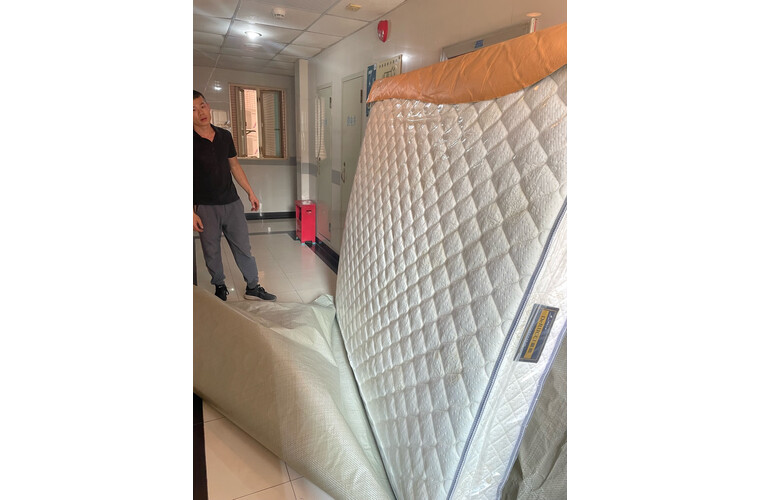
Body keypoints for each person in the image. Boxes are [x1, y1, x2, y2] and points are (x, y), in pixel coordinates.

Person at [193, 90, 276, 302]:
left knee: (243, 247)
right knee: (211, 250)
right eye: (192, 110)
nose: (200, 113)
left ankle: (253, 287)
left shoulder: (224, 136)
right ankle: (219, 286)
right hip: (205, 207)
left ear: (208, 106)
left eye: (202, 106)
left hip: (232, 203)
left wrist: (250, 192)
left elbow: (235, 166)